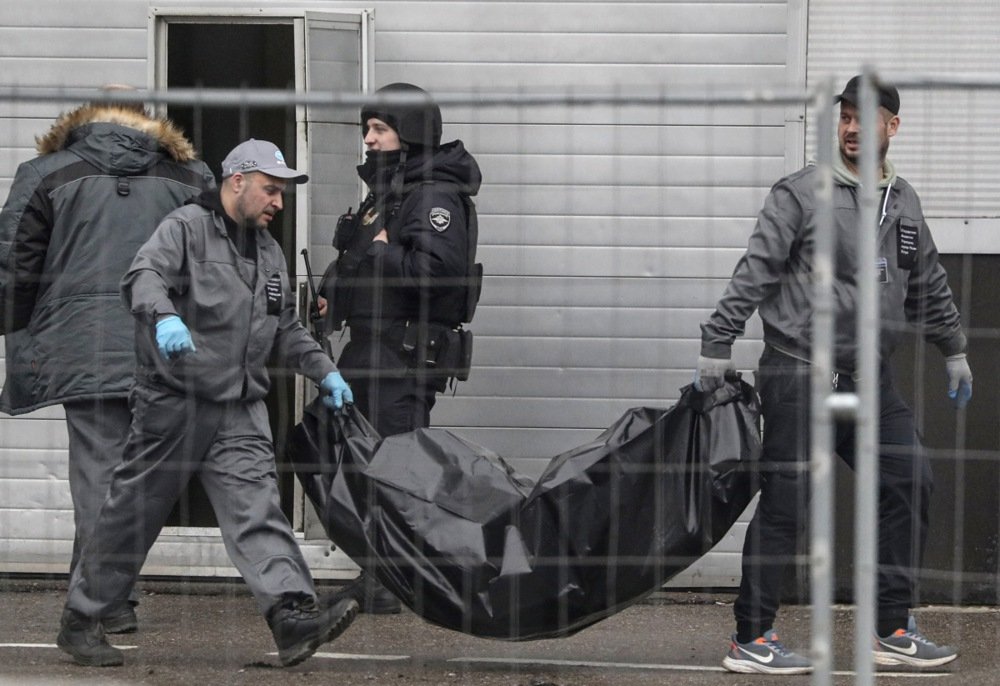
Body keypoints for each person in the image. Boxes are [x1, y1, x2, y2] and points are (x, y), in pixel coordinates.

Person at [697, 75, 972, 675]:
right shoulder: (801, 193)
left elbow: (926, 282)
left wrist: (953, 348)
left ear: (891, 126)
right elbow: (756, 269)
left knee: (909, 478)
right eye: (844, 117)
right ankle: (751, 638)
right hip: (801, 371)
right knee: (790, 502)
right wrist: (718, 339)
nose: (851, 128)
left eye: (864, 116)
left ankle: (892, 628)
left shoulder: (902, 201)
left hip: (869, 376)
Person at [56, 139, 358, 668]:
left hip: (239, 406)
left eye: (282, 193)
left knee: (257, 506)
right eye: (271, 190)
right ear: (236, 181)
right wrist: (163, 315)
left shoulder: (269, 253)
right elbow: (142, 276)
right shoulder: (185, 229)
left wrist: (325, 370)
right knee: (134, 513)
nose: (278, 203)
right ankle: (82, 619)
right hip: (174, 401)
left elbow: (284, 328)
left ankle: (292, 615)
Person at [0, 87, 216, 633]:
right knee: (146, 476)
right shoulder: (192, 178)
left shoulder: (44, 172)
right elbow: (218, 265)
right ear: (149, 119)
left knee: (98, 475)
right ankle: (107, 600)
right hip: (166, 343)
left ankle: (100, 603)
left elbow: (14, 270)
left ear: (83, 117)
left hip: (82, 346)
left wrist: (21, 332)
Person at [317, 83, 482, 614]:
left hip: (402, 362)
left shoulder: (432, 195)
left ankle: (394, 581)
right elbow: (362, 260)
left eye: (379, 129)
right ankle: (379, 573)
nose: (368, 139)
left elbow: (437, 276)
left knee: (395, 473)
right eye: (367, 128)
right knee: (361, 467)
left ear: (409, 134)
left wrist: (386, 256)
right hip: (370, 356)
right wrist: (329, 295)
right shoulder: (390, 191)